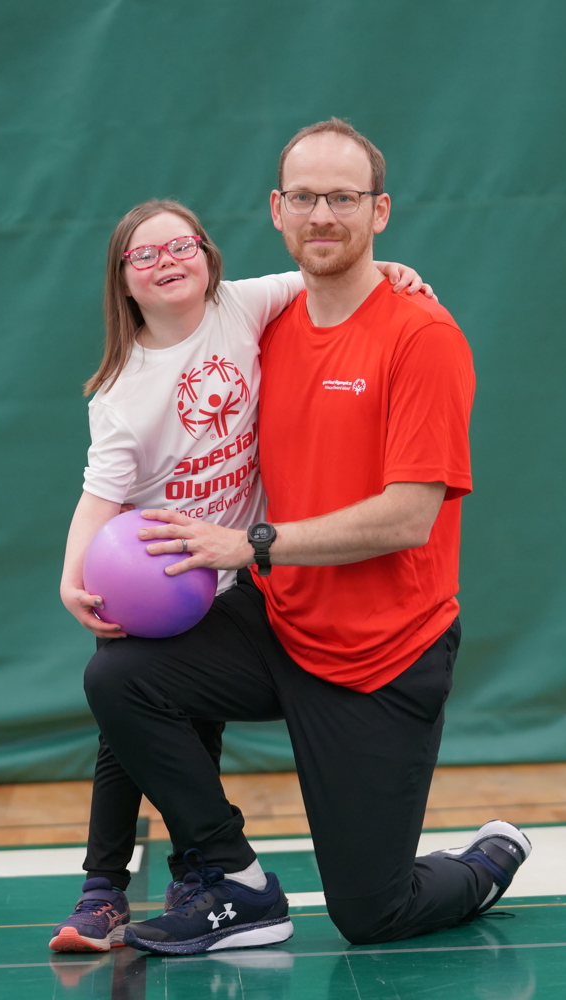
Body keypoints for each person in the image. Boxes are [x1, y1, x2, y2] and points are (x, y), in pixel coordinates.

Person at [84, 119, 531, 957]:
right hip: (279, 621)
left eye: (343, 197)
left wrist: (250, 545)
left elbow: (408, 517)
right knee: (122, 676)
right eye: (305, 198)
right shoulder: (262, 326)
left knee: (373, 913)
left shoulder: (423, 337)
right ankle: (234, 880)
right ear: (277, 211)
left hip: (383, 656)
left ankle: (488, 858)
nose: (323, 214)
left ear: (381, 211)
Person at [47, 197, 434, 952]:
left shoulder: (243, 304)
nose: (167, 262)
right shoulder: (124, 394)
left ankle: (206, 874)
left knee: (182, 717)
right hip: (165, 581)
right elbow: (99, 498)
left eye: (180, 246)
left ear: (208, 256)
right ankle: (107, 886)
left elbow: (326, 279)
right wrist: (71, 578)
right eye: (144, 256)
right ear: (123, 283)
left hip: (247, 578)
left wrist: (391, 269)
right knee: (121, 693)